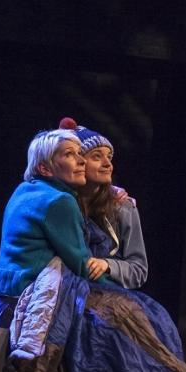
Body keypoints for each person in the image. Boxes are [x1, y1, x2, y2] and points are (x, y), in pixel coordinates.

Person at [0, 127, 116, 327]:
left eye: (79, 153)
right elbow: (81, 263)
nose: (81, 160)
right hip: (29, 304)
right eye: (69, 154)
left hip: (3, 300)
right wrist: (119, 293)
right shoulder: (59, 201)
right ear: (45, 169)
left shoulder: (24, 190)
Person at [60, 117, 148, 290]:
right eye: (97, 157)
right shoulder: (60, 203)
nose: (108, 164)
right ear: (78, 162)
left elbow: (139, 270)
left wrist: (108, 265)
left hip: (108, 295)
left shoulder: (123, 207)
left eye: (109, 157)